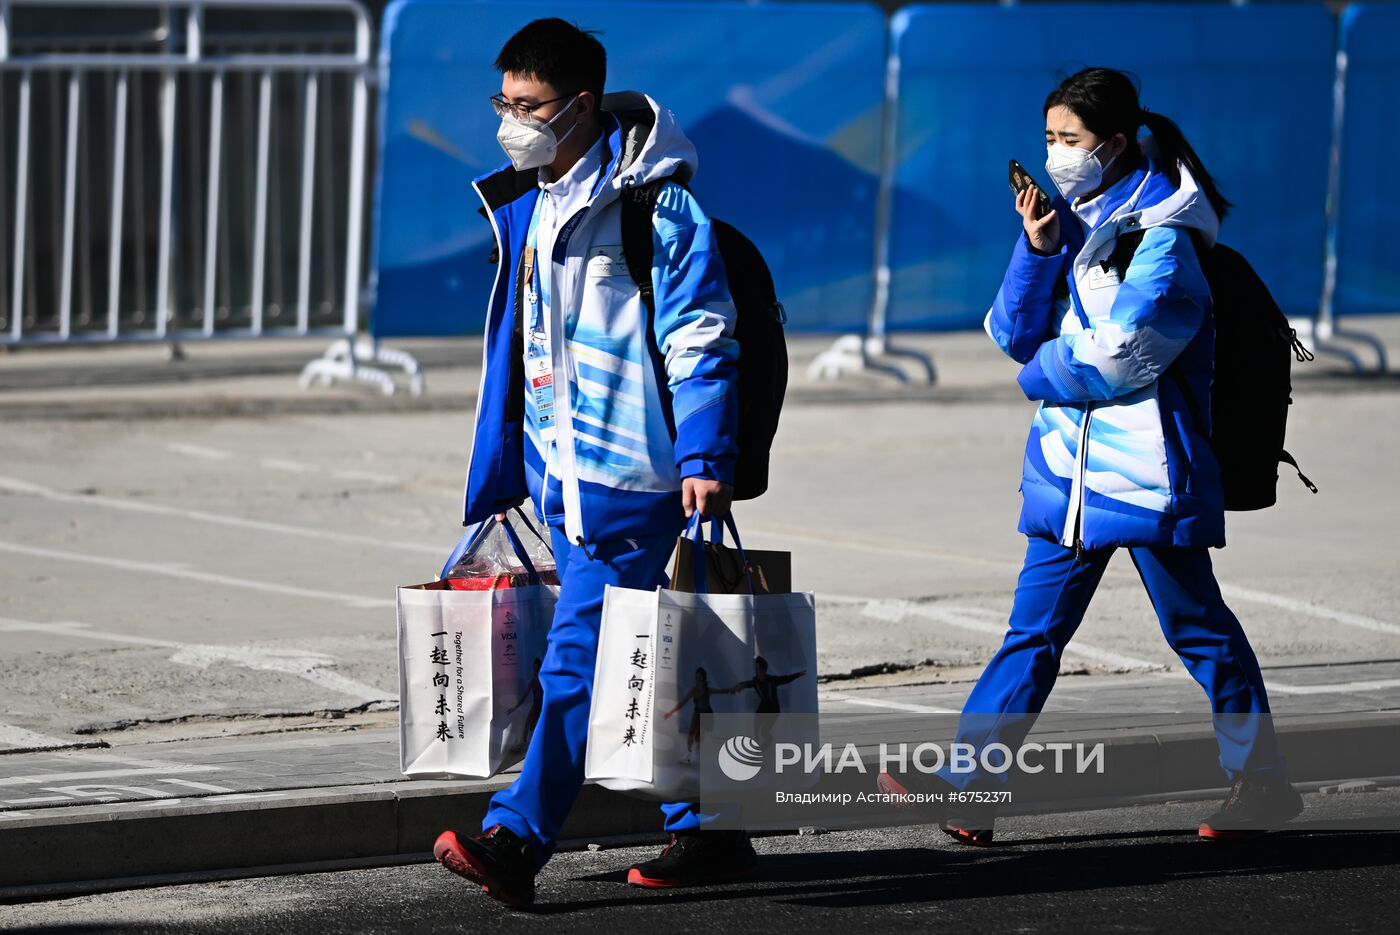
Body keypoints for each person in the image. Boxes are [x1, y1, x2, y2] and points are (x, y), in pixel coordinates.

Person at [878, 67, 1302, 844]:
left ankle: (1263, 781)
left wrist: (1040, 375)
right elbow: (1011, 332)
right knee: (1031, 634)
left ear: (1114, 143)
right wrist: (1038, 248)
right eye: (1048, 139)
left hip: (1146, 474)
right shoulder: (1077, 226)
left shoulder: (1165, 238)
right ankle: (972, 786)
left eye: (1070, 139)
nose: (1056, 154)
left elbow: (1123, 354)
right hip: (1068, 475)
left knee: (1198, 628)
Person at [431, 19, 751, 907]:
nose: (511, 123)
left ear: (579, 105)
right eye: (503, 102)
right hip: (561, 481)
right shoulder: (530, 203)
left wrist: (704, 453)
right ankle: (708, 825)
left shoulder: (657, 210)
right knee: (635, 654)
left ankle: (515, 837)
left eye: (528, 106)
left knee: (576, 661)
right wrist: (515, 466)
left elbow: (700, 338)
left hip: (633, 478)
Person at [718, 656, 806, 748]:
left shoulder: (772, 680)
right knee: (756, 723)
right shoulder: (755, 682)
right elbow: (745, 684)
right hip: (763, 706)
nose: (756, 671)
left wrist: (798, 674)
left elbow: (786, 679)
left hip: (774, 709)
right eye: (755, 669)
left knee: (764, 731)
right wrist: (735, 688)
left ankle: (768, 740)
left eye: (758, 669)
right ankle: (756, 746)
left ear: (764, 670)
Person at [663, 667, 715, 764]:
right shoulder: (693, 691)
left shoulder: (708, 690)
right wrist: (670, 712)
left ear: (703, 679)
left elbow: (723, 690)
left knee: (700, 737)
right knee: (691, 734)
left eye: (699, 678)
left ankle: (697, 751)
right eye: (696, 678)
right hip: (697, 714)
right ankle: (690, 754)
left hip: (707, 715)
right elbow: (682, 702)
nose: (697, 680)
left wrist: (732, 690)